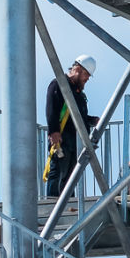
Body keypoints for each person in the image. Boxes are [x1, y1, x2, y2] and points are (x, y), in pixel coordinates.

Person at [44, 54, 97, 199]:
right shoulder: (59, 85)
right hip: (62, 137)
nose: (87, 79)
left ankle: (68, 202)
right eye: (86, 75)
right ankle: (52, 202)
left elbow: (79, 116)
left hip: (76, 140)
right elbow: (51, 109)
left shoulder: (78, 93)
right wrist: (53, 131)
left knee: (71, 176)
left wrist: (93, 120)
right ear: (78, 69)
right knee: (58, 172)